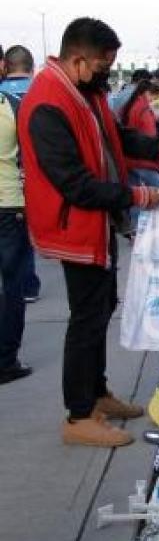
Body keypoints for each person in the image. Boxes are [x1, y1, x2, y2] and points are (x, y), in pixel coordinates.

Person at [18, 17, 159, 447]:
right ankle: (78, 416)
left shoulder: (85, 93)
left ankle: (96, 394)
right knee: (87, 320)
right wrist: (137, 197)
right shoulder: (47, 103)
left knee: (99, 309)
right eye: (102, 65)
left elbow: (119, 139)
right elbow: (73, 182)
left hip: (95, 225)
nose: (107, 74)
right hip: (73, 227)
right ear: (78, 59)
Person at [0, 44, 35, 384]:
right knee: (12, 285)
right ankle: (5, 360)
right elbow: (29, 158)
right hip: (10, 206)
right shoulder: (14, 105)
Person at [0, 44, 41, 304]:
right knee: (22, 241)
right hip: (27, 183)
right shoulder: (40, 94)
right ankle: (28, 285)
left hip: (8, 184)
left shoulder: (3, 97)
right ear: (32, 66)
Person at [120, 79, 159, 192]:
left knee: (135, 195)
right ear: (147, 93)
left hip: (129, 159)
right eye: (154, 98)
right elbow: (150, 136)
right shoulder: (144, 110)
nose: (153, 101)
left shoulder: (131, 105)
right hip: (143, 160)